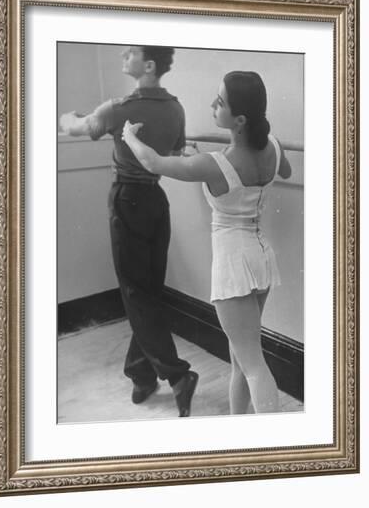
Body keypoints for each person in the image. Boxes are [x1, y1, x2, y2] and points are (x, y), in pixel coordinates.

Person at [122, 70, 292, 414]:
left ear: (239, 119)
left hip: (234, 266)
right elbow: (284, 171)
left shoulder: (213, 164)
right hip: (259, 259)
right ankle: (238, 432)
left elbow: (152, 161)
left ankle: (273, 447)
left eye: (221, 102)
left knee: (253, 365)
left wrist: (129, 136)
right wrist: (204, 157)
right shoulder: (272, 147)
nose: (213, 105)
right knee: (241, 359)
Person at [60, 46, 198, 417]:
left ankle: (177, 375)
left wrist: (64, 116)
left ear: (148, 66)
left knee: (136, 293)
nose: (123, 54)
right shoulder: (176, 108)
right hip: (157, 201)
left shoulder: (118, 107)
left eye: (132, 52)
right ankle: (141, 373)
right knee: (148, 291)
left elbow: (78, 127)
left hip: (127, 201)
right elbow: (178, 150)